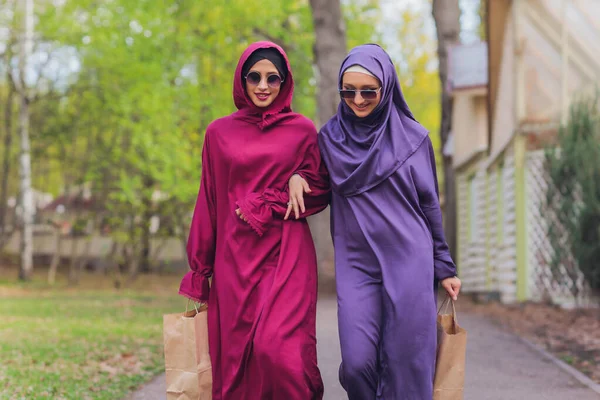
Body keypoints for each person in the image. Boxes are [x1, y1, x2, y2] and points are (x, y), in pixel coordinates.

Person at [291, 43, 462, 399]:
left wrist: (444, 266)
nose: (358, 99)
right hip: (357, 264)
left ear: (386, 87)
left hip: (409, 260)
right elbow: (316, 186)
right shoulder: (329, 139)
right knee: (355, 366)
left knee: (406, 362)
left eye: (368, 90)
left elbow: (430, 206)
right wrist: (296, 177)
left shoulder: (414, 140)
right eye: (348, 91)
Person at [179, 41, 330, 400]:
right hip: (234, 260)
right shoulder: (218, 133)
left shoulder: (302, 130)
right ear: (242, 80)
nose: (263, 86)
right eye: (255, 77)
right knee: (236, 362)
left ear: (285, 82)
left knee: (278, 353)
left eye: (273, 78)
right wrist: (200, 273)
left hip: (287, 255)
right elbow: (209, 200)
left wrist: (297, 179)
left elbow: (321, 189)